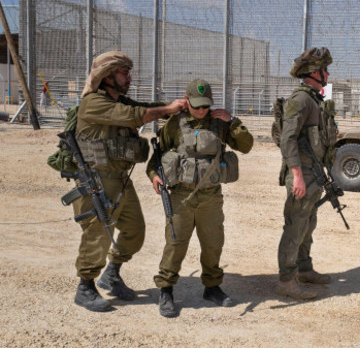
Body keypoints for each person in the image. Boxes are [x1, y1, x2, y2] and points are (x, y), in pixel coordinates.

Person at [72, 51, 187, 312]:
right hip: (97, 180)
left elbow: (143, 108)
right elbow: (133, 115)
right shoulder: (94, 103)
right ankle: (85, 287)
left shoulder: (120, 100)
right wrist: (168, 109)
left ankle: (111, 273)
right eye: (124, 73)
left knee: (135, 231)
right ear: (107, 76)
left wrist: (176, 106)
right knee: (98, 234)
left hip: (119, 179)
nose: (129, 78)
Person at [147, 79, 253, 318]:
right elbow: (158, 155)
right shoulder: (175, 124)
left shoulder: (221, 123)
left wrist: (233, 121)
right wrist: (154, 175)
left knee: (213, 243)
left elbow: (247, 146)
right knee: (175, 244)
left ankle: (212, 287)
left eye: (205, 106)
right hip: (181, 196)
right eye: (197, 106)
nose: (202, 110)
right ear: (187, 102)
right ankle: (165, 290)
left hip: (211, 197)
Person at [275, 47, 338, 300]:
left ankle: (304, 268)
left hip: (314, 172)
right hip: (302, 174)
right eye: (325, 69)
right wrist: (297, 175)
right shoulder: (300, 100)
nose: (328, 73)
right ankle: (287, 280)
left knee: (308, 224)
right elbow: (287, 139)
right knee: (295, 226)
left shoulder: (314, 99)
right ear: (314, 73)